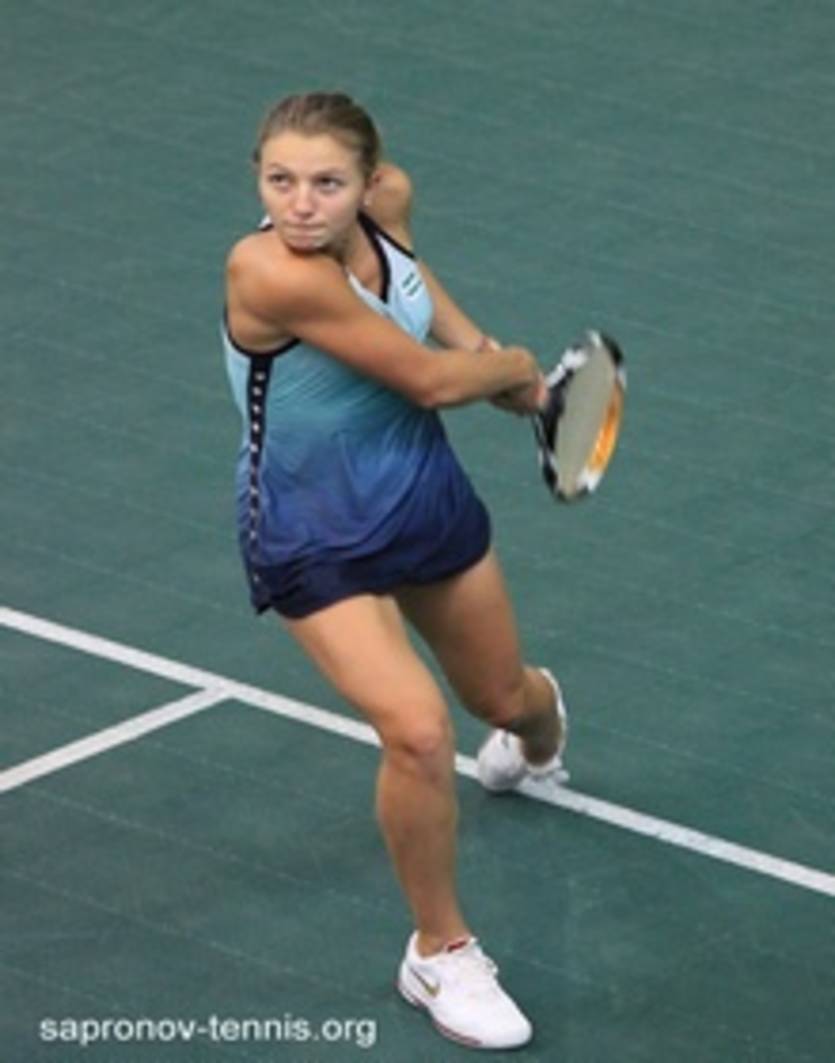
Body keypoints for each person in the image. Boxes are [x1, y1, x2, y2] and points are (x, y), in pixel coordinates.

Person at [223, 91, 569, 1051]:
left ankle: (541, 725)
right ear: (257, 179)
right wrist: (512, 367)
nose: (300, 203)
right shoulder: (265, 269)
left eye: (326, 183)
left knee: (502, 697)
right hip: (310, 529)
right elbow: (422, 380)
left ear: (370, 182)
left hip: (421, 499)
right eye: (278, 180)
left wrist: (479, 347)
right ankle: (438, 952)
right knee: (417, 730)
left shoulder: (391, 205)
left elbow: (418, 292)